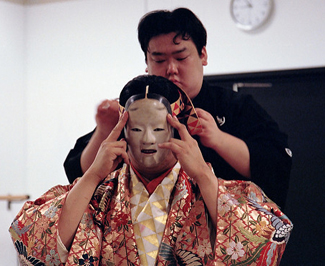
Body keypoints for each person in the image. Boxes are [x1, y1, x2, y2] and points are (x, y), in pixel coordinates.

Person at [10, 75, 292, 265]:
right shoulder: (99, 195)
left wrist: (205, 176)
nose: (147, 139)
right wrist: (93, 174)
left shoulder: (211, 191)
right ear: (122, 130)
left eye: (158, 128)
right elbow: (33, 240)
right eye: (135, 129)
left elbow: (268, 234)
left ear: (177, 127)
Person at [64, 8, 292, 209]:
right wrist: (104, 130)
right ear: (146, 63)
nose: (171, 69)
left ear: (203, 55)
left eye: (181, 57)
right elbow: (79, 177)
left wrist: (218, 139)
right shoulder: (130, 106)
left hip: (217, 238)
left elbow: (276, 165)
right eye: (159, 60)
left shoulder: (235, 106)